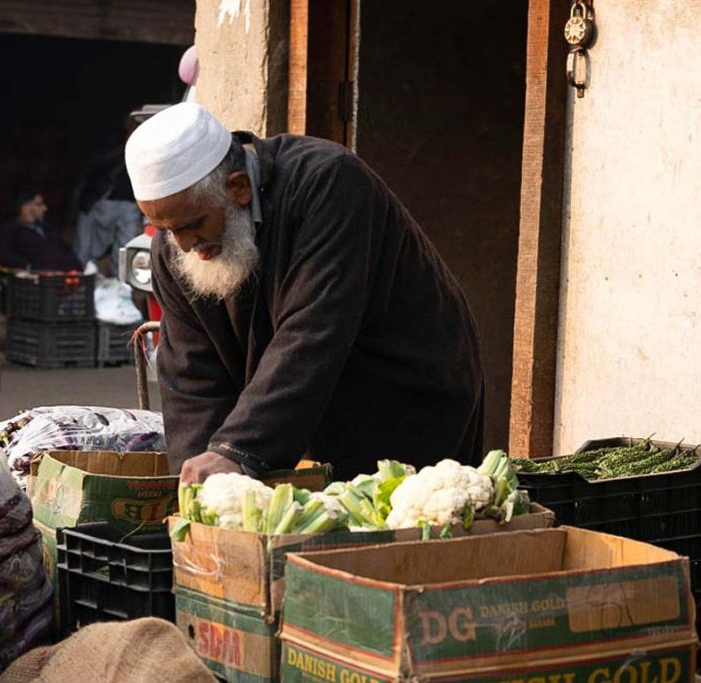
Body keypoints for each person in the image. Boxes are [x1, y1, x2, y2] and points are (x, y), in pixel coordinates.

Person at [124, 103, 485, 484]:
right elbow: (192, 376)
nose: (182, 245)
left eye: (193, 224)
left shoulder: (328, 181)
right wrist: (200, 480)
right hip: (302, 414)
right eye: (165, 229)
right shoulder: (174, 247)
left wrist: (236, 450)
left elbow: (314, 329)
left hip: (401, 396)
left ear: (239, 188)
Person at [73, 127, 143, 275]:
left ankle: (122, 289)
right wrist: (124, 149)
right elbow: (91, 165)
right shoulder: (110, 143)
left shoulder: (149, 148)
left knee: (125, 250)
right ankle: (79, 286)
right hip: (98, 201)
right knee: (84, 251)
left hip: (130, 204)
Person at [0, 188, 81, 271]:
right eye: (39, 204)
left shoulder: (48, 229)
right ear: (25, 208)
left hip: (66, 277)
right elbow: (4, 257)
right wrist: (29, 267)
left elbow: (67, 252)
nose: (45, 208)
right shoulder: (11, 231)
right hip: (38, 281)